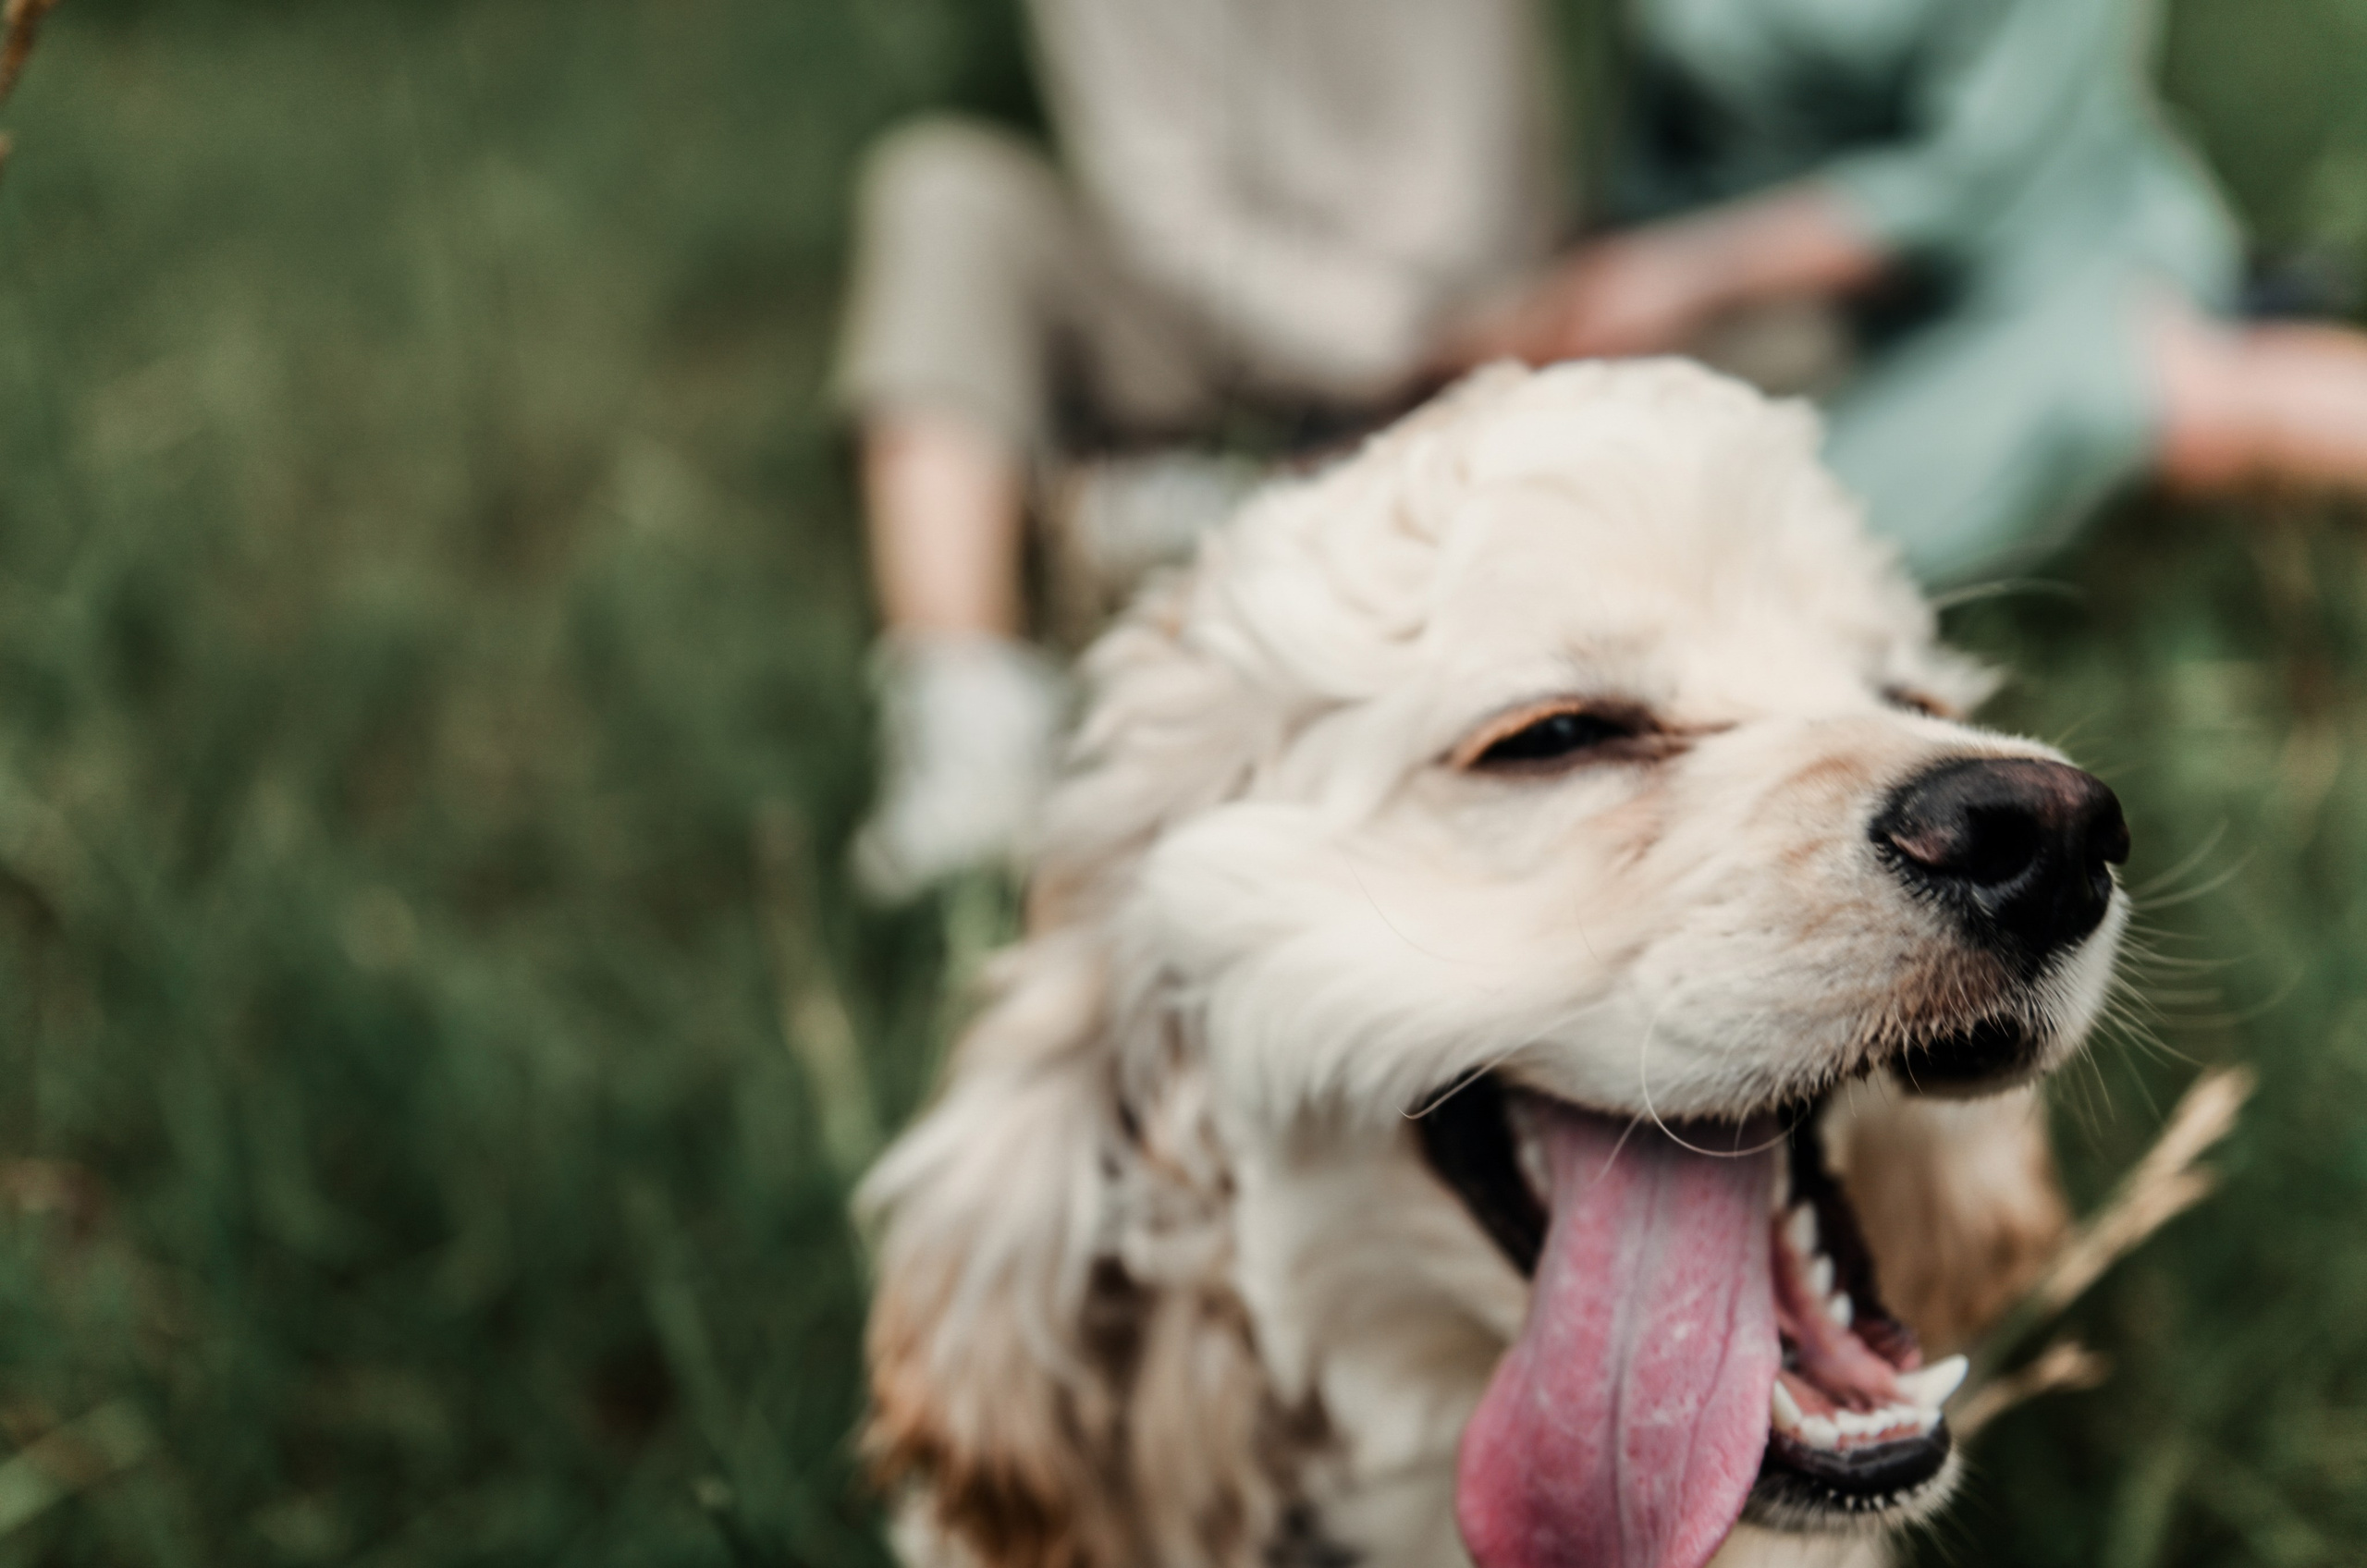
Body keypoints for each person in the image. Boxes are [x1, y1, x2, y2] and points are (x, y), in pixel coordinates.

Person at [833, 0, 1564, 901]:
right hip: (1198, 315)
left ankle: (1202, 502)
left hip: (1447, 329)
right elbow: (1157, 206)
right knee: (943, 189)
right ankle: (969, 717)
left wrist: (1403, 345)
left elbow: (1468, 216)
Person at [1438, 0, 2367, 587]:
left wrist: (1686, 273)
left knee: (1795, 537)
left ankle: (2205, 367)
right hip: (1763, 273)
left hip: (2036, 253)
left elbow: (1966, 190)